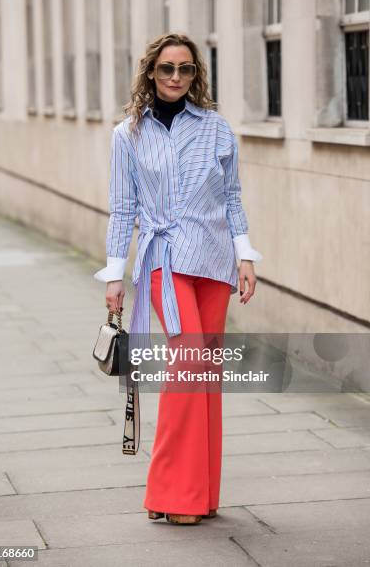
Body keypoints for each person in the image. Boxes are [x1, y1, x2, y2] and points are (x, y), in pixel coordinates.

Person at [94, 32, 262, 525]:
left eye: (185, 69)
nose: (175, 77)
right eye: (166, 68)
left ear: (196, 75)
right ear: (151, 72)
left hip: (213, 263)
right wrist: (114, 273)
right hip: (164, 259)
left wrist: (245, 256)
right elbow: (123, 209)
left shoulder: (216, 128)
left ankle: (201, 494)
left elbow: (231, 197)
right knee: (187, 368)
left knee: (204, 376)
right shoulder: (128, 135)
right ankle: (172, 494)